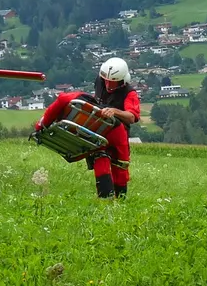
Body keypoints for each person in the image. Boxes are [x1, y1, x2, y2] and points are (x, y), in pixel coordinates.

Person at [36, 57, 141, 198]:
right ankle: (106, 199)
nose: (109, 85)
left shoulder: (129, 93)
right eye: (106, 80)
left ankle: (121, 198)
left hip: (117, 128)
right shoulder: (100, 80)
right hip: (97, 123)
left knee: (120, 165)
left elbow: (132, 117)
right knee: (99, 156)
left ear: (122, 80)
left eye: (113, 82)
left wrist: (115, 111)